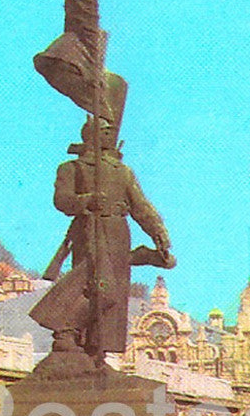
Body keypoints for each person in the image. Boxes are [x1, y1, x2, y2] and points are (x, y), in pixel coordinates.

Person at [30, 117, 172, 360]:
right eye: (104, 131)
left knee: (113, 295)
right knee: (96, 287)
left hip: (118, 231)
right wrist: (86, 200)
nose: (110, 136)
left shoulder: (123, 171)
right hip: (90, 230)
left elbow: (141, 206)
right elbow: (62, 200)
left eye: (111, 132)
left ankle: (97, 349)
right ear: (91, 134)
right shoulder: (72, 167)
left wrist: (158, 231)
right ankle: (66, 331)